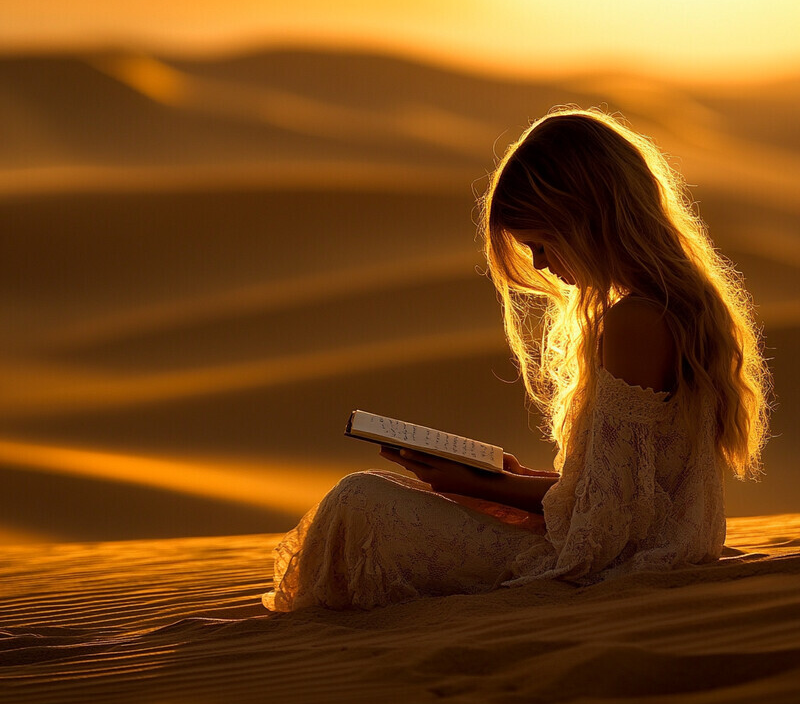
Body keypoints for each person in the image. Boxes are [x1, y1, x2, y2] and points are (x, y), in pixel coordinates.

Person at [262, 107, 774, 613]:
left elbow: (608, 519)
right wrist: (513, 478)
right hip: (630, 551)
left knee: (360, 502)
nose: (541, 264)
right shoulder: (671, 309)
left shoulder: (635, 322)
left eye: (539, 242)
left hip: (610, 567)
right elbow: (627, 489)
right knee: (369, 498)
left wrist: (474, 485)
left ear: (583, 219)